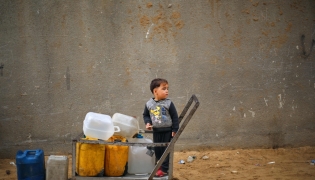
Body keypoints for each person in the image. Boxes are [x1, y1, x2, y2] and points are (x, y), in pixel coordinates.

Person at [143, 78, 179, 177]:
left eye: (167, 88)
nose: (167, 90)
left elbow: (175, 117)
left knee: (165, 151)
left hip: (167, 131)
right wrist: (148, 123)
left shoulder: (169, 103)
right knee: (158, 150)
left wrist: (175, 129)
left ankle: (164, 170)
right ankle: (160, 166)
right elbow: (146, 115)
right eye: (164, 88)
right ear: (155, 91)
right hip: (156, 131)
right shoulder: (149, 104)